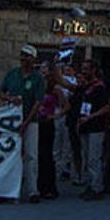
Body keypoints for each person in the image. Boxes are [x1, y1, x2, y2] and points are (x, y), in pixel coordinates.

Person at [0, 44, 45, 203]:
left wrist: (26, 121)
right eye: (22, 55)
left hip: (30, 121)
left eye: (27, 56)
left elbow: (38, 102)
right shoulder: (12, 75)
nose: (24, 59)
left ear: (33, 59)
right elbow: (1, 93)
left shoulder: (38, 78)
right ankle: (9, 189)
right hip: (11, 121)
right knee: (11, 154)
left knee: (31, 155)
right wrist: (10, 99)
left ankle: (33, 190)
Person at [77, 59, 110, 201]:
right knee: (86, 157)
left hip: (96, 127)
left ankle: (97, 187)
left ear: (93, 70)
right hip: (85, 126)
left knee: (94, 158)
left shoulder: (100, 87)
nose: (84, 71)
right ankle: (90, 184)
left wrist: (90, 117)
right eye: (83, 68)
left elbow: (106, 107)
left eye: (86, 69)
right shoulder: (86, 86)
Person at [38, 62, 66, 199]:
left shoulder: (55, 88)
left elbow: (66, 106)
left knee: (47, 155)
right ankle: (39, 185)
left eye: (44, 68)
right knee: (38, 155)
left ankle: (49, 187)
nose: (42, 70)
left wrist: (54, 115)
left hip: (48, 123)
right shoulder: (38, 86)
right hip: (37, 122)